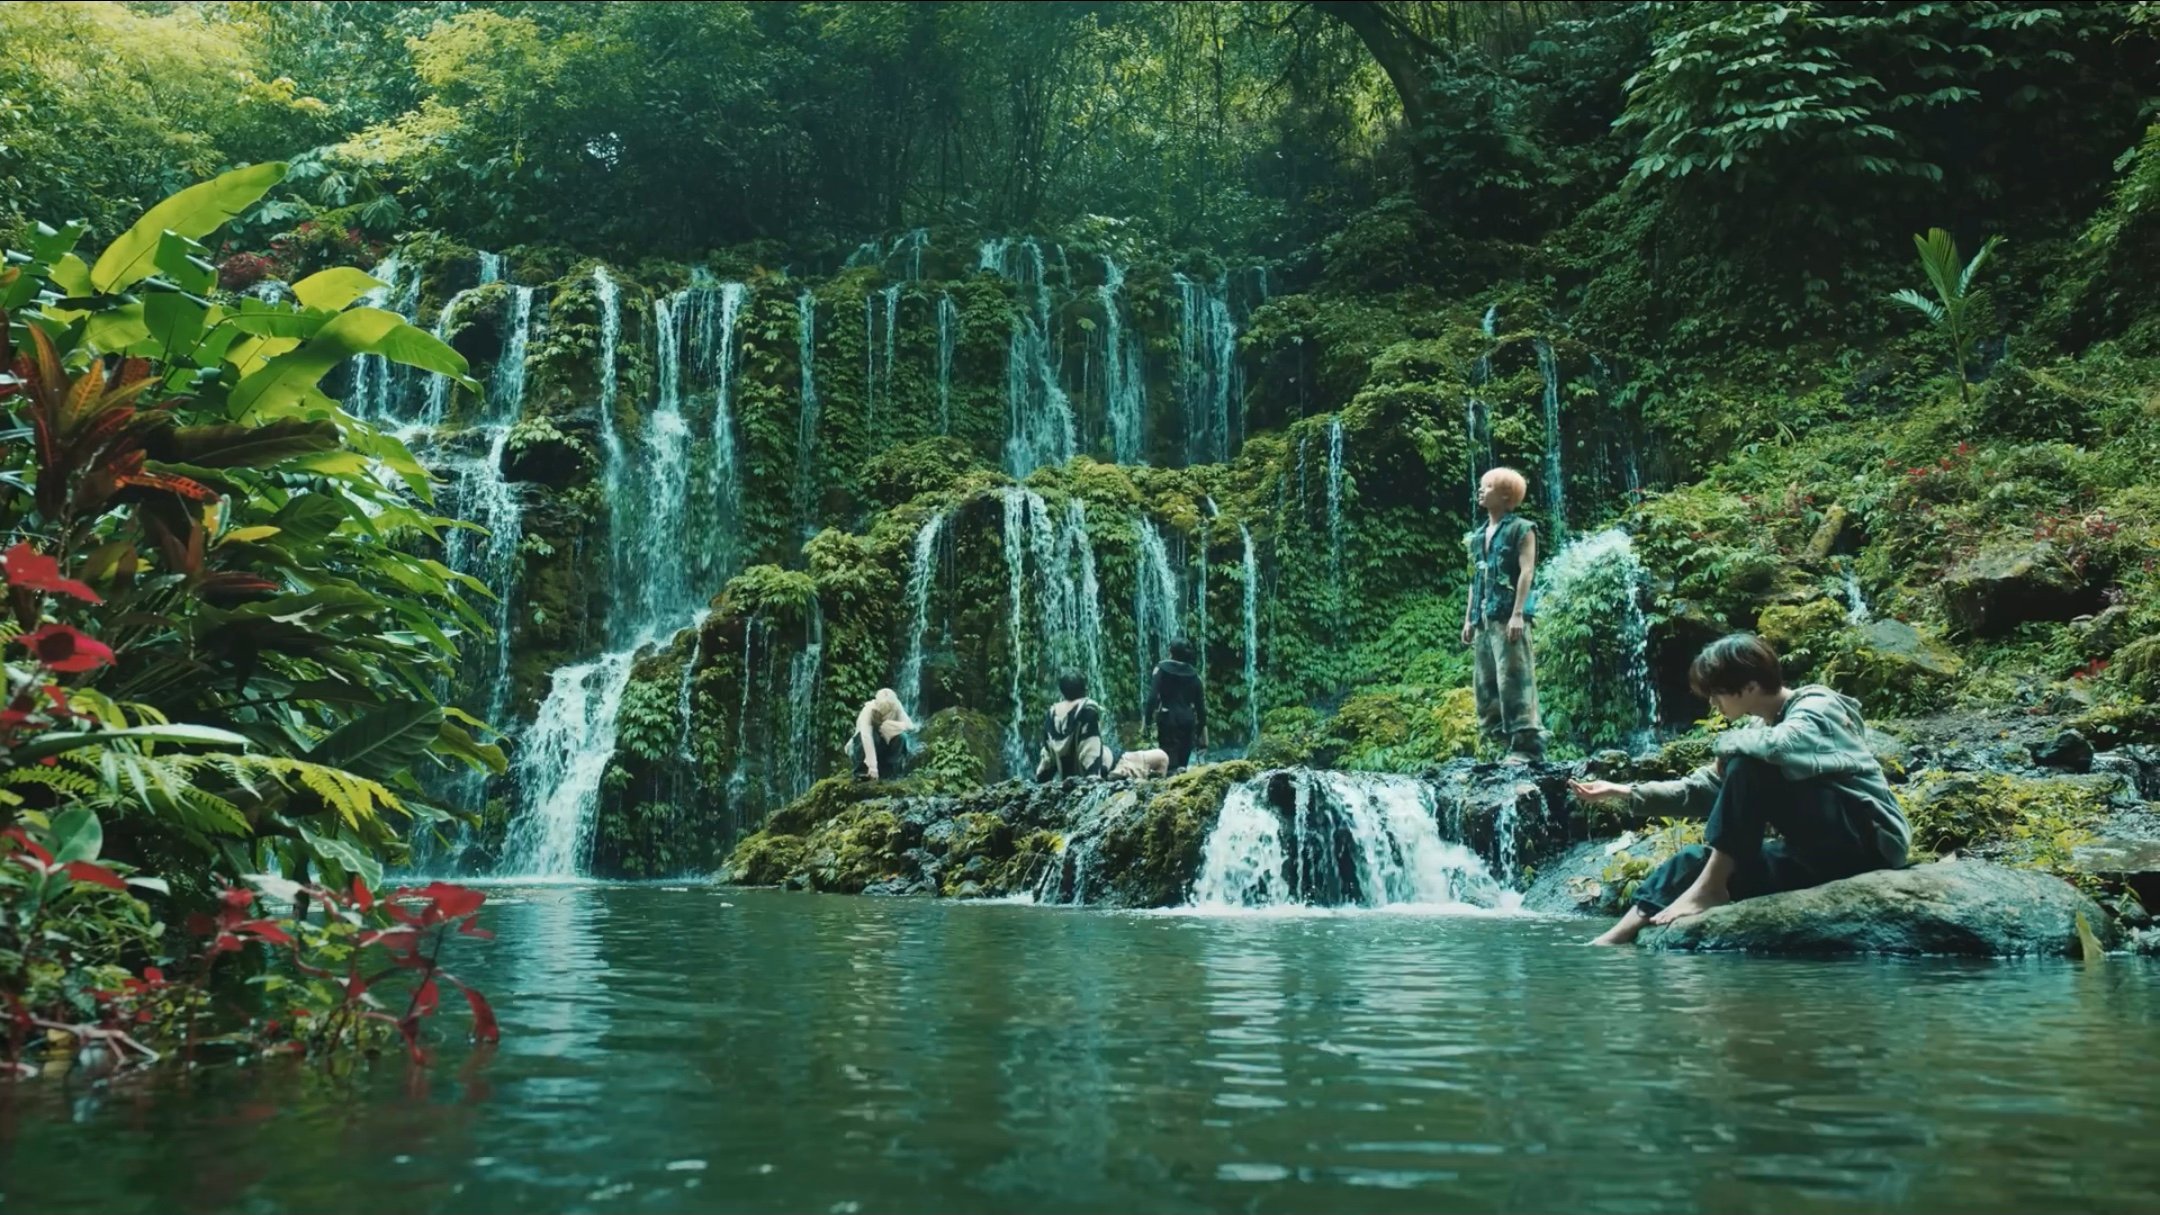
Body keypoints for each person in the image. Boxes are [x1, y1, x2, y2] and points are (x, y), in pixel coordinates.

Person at [1569, 634, 1910, 946]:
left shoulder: (1817, 706)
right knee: (1691, 860)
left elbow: (1778, 748)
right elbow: (1703, 789)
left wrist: (1726, 746)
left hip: (1866, 843)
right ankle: (1615, 940)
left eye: (1716, 693)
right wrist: (1624, 792)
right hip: (1812, 855)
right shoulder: (1756, 731)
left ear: (1748, 687)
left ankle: (1710, 888)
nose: (1712, 703)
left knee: (1749, 763)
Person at [1461, 467, 1544, 763]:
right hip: (1484, 618)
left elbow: (1527, 571)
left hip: (1509, 615)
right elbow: (1475, 579)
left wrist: (1518, 613)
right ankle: (1494, 746)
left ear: (1506, 494)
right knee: (1485, 681)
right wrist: (1469, 619)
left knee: (1515, 677)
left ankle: (1526, 746)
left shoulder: (1522, 529)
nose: (1480, 490)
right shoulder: (1477, 536)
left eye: (1488, 486)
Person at [1036, 672, 1114, 782]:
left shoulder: (1052, 713)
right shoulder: (1088, 708)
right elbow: (1091, 746)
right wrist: (1093, 775)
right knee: (1121, 755)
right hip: (1089, 771)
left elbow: (1048, 754)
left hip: (1065, 774)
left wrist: (1041, 778)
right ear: (1084, 689)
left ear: (1062, 691)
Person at [1143, 639, 1206, 772]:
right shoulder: (1194, 675)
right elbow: (1201, 709)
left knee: (1169, 764)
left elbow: (1152, 698)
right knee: (1183, 766)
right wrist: (1199, 732)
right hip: (1188, 721)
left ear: (1170, 652)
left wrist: (1147, 722)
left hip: (1168, 719)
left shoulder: (1161, 669)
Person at [847, 688, 916, 782]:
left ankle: (892, 772)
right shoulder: (868, 710)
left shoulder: (897, 705)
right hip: (865, 750)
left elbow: (910, 726)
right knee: (870, 736)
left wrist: (891, 725)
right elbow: (866, 737)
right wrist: (872, 766)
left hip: (885, 748)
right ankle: (861, 773)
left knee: (902, 737)